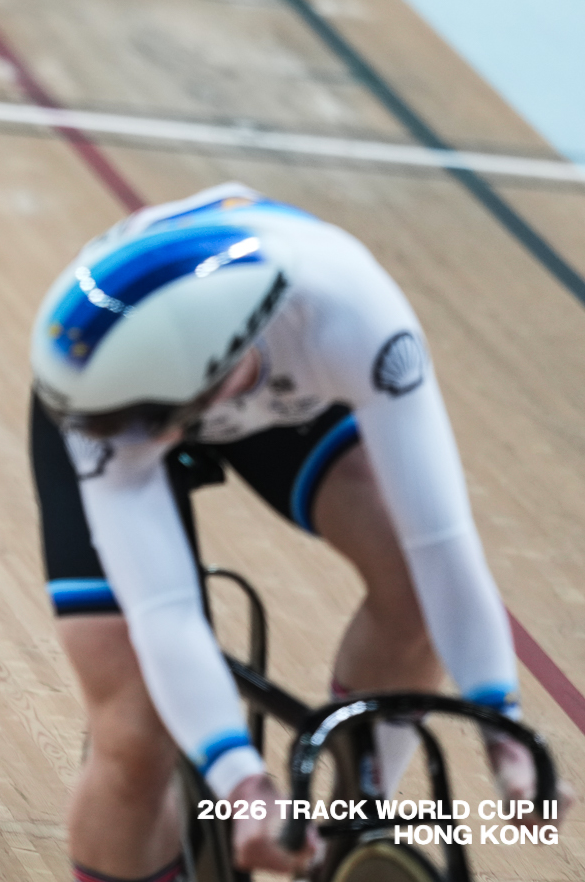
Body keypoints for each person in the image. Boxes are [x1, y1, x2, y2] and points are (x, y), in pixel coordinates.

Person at [28, 183, 567, 879]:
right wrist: (243, 786)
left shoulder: (350, 313)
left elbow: (443, 543)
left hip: (278, 394)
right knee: (133, 730)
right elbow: (165, 608)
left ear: (211, 373)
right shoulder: (106, 407)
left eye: (147, 426)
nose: (137, 441)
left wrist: (506, 729)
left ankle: (349, 828)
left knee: (409, 576)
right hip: (113, 382)